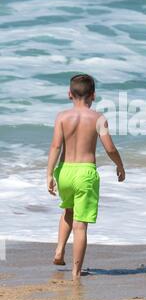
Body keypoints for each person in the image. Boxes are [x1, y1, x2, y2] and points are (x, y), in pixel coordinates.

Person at [47, 73, 125, 281]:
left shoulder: (62, 117)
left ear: (69, 94)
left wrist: (49, 174)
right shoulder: (98, 119)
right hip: (85, 173)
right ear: (93, 95)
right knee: (80, 225)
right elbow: (109, 148)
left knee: (67, 210)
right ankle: (76, 272)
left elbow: (55, 146)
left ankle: (59, 251)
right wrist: (120, 165)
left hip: (64, 171)